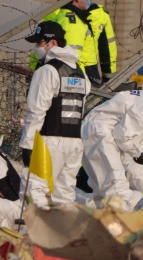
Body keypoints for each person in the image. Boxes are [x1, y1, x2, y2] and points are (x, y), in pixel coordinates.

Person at [20, 21, 90, 206]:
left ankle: (33, 233)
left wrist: (27, 144)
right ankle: (64, 234)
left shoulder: (47, 71)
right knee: (64, 195)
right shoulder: (80, 72)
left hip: (48, 141)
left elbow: (36, 111)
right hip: (74, 142)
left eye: (39, 42)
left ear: (52, 43)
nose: (37, 47)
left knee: (34, 191)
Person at [31, 0, 118, 86]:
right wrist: (108, 78)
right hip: (84, 74)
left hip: (67, 75)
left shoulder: (57, 13)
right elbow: (107, 48)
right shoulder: (100, 14)